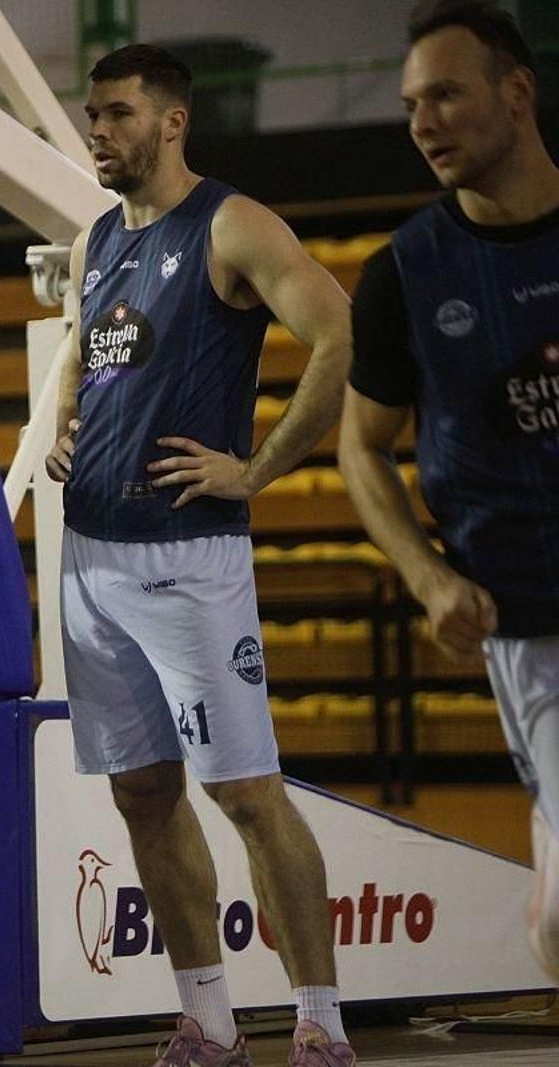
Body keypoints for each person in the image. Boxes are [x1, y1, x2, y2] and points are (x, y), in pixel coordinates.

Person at [45, 45, 357, 1066]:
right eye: (92, 114)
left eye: (118, 113)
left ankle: (320, 1022)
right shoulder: (97, 237)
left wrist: (255, 468)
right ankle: (210, 1022)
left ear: (172, 121)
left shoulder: (230, 223)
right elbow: (79, 341)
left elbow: (336, 332)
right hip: (90, 559)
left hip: (187, 559)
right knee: (141, 792)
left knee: (248, 793)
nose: (98, 130)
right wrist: (63, 421)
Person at [337, 0, 559, 985]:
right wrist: (428, 577)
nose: (422, 122)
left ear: (517, 93)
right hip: (531, 621)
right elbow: (360, 448)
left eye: (445, 96)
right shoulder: (404, 275)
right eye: (409, 106)